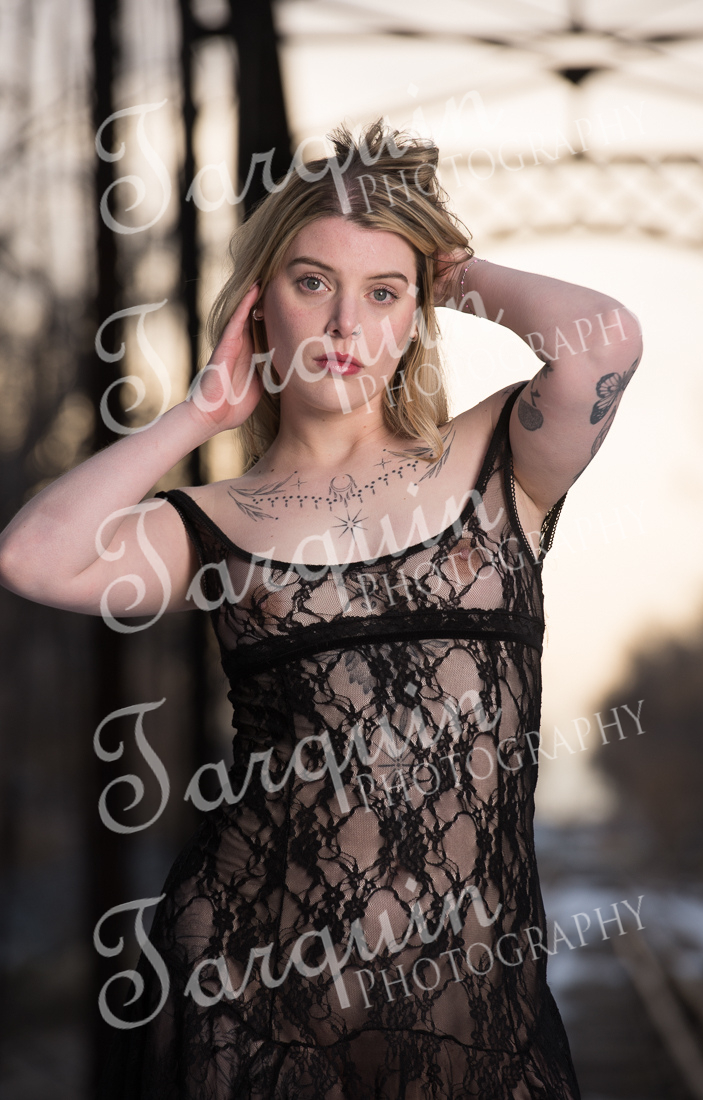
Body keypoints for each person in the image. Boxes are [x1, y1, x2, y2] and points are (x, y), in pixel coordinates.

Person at [0, 120, 641, 1099]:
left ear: (418, 311)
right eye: (312, 284)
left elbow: (605, 341)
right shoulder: (215, 522)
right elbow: (31, 556)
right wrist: (198, 414)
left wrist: (439, 265)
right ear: (260, 302)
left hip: (479, 1021)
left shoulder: (495, 466)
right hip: (256, 1008)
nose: (345, 324)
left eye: (381, 294)